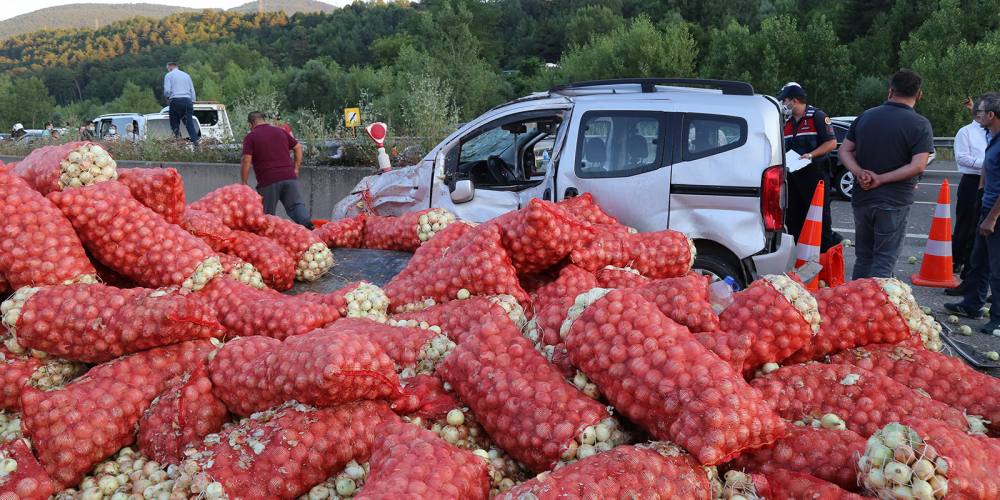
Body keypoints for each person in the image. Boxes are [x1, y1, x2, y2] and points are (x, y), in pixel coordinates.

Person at [839, 69, 934, 280]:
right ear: (918, 95)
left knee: (863, 257)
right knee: (884, 260)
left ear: (890, 91)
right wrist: (880, 179)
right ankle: (876, 309)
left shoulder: (865, 116)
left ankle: (856, 306)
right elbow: (918, 166)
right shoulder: (919, 124)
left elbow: (844, 150)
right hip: (893, 201)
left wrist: (859, 173)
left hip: (862, 199)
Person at [945, 93, 1000, 332]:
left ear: (991, 115)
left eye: (980, 111)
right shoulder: (992, 135)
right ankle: (972, 304)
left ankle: (998, 318)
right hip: (986, 202)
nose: (976, 114)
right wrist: (980, 192)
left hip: (996, 210)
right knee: (979, 260)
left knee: (997, 267)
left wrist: (992, 217)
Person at [776, 82, 840, 251]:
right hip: (793, 177)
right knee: (793, 220)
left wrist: (811, 155)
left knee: (820, 221)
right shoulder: (787, 122)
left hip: (815, 176)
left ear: (794, 101)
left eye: (784, 101)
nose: (783, 105)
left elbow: (832, 143)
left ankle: (825, 258)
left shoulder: (817, 116)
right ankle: (797, 259)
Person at [240, 111, 314, 230]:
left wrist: (244, 182)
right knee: (296, 205)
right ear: (264, 120)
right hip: (289, 176)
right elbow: (299, 147)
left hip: (268, 180)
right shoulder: (280, 131)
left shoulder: (251, 137)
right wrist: (296, 169)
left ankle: (268, 239)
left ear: (250, 125)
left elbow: (246, 160)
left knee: (267, 214)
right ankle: (306, 222)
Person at [948, 96, 989, 287]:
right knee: (966, 223)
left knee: (986, 227)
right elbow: (963, 159)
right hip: (972, 182)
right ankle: (957, 260)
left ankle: (976, 269)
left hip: (993, 182)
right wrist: (988, 165)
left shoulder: (994, 133)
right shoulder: (966, 132)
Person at [163, 61, 199, 147]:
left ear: (169, 68)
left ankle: (180, 145)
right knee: (190, 125)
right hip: (187, 101)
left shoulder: (169, 75)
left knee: (175, 125)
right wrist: (192, 101)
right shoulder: (187, 75)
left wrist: (167, 97)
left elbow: (167, 90)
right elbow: (192, 90)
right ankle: (197, 145)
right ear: (177, 67)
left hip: (175, 101)